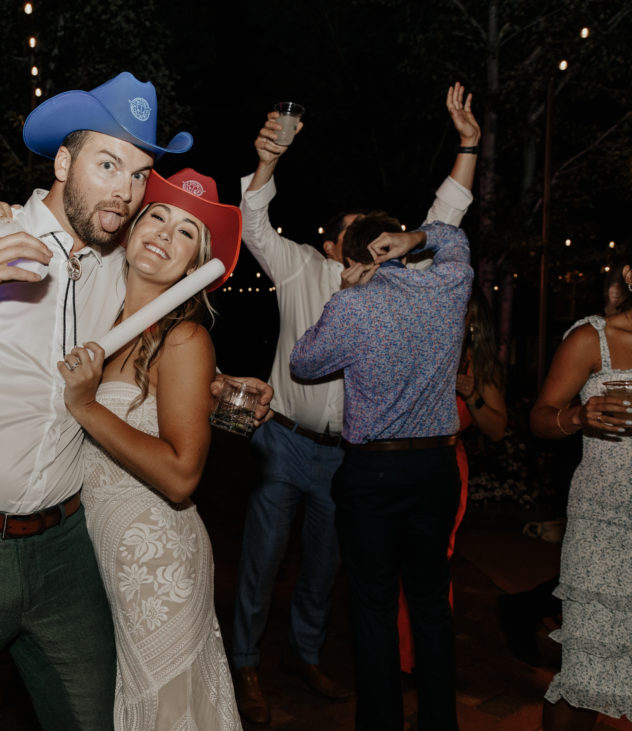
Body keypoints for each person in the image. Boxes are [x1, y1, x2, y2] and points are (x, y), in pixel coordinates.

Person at [0, 71, 269, 729]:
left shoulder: (119, 264)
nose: (125, 188)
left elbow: (152, 338)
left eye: (140, 173)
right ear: (63, 161)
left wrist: (219, 382)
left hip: (65, 551)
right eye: (108, 163)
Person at [230, 82, 479, 723]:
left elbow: (445, 217)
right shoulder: (299, 268)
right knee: (262, 560)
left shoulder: (406, 282)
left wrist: (466, 146)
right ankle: (247, 666)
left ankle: (305, 657)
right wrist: (269, 159)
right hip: (286, 441)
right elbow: (253, 220)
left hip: (351, 457)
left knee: (324, 568)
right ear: (334, 246)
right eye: (353, 233)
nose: (370, 242)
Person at [58, 168, 243, 728]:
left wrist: (87, 406)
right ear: (133, 226)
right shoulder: (92, 313)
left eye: (187, 232)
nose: (165, 232)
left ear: (195, 263)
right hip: (92, 556)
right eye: (158, 215)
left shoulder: (185, 338)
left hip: (156, 565)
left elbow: (183, 474)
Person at [290, 214, 473, 731]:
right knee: (431, 604)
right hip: (437, 466)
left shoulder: (353, 305)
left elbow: (303, 364)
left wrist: (340, 294)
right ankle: (441, 724)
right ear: (398, 245)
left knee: (373, 608)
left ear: (350, 259)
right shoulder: (449, 284)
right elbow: (455, 239)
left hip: (374, 472)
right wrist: (420, 238)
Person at [529, 264, 632, 730]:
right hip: (601, 527)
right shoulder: (594, 339)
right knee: (585, 670)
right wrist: (577, 417)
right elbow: (540, 418)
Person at [397, 287, 507, 673]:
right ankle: (392, 654)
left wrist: (473, 395)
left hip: (446, 465)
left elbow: (496, 429)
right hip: (403, 461)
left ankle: (424, 657)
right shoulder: (419, 352)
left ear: (472, 322)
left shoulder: (480, 367)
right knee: (392, 560)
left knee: (432, 564)